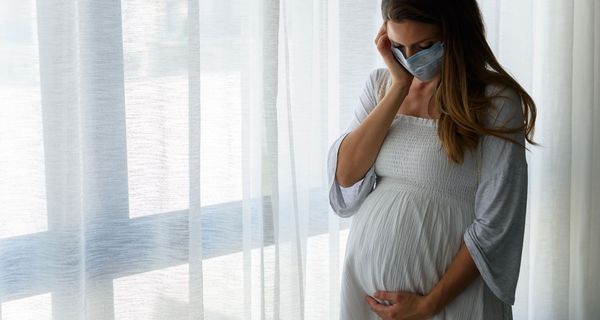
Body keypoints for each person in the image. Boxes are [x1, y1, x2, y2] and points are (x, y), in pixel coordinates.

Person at [326, 0, 538, 319]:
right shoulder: (379, 86)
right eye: (399, 47)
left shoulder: (495, 101)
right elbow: (346, 175)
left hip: (452, 301)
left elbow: (497, 221)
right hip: (368, 296)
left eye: (425, 46)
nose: (411, 59)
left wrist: (428, 304)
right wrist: (400, 86)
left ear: (456, 35)